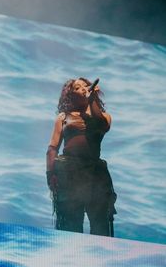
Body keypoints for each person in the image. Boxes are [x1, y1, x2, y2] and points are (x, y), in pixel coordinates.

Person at [46, 77, 117, 236]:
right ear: (71, 95)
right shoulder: (63, 117)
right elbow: (52, 148)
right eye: (78, 87)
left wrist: (92, 100)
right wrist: (50, 175)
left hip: (96, 176)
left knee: (101, 227)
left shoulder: (105, 117)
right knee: (70, 227)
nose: (84, 88)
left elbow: (99, 124)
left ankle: (100, 257)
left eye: (86, 86)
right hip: (69, 173)